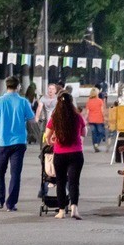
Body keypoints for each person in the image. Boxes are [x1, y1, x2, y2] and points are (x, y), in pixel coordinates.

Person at [0, 76, 35, 212]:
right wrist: (40, 137)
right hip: (19, 143)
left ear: (6, 86)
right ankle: (11, 204)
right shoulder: (23, 102)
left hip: (2, 142)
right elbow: (32, 121)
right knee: (15, 173)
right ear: (18, 87)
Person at [45, 92, 86, 220]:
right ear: (71, 102)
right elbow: (83, 133)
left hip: (60, 154)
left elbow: (47, 136)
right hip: (76, 154)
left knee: (61, 182)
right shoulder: (77, 117)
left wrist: (51, 141)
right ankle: (74, 208)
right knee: (74, 182)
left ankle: (61, 211)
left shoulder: (55, 117)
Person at [35, 84, 58, 148]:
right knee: (43, 133)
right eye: (49, 88)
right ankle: (43, 147)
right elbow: (39, 108)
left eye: (53, 89)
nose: (51, 90)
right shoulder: (43, 98)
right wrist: (36, 117)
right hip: (45, 119)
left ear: (55, 91)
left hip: (55, 120)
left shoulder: (58, 99)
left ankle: (55, 146)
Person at [85, 87, 106, 152]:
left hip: (91, 120)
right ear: (97, 93)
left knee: (94, 133)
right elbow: (102, 111)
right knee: (100, 132)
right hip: (99, 119)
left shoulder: (88, 101)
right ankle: (97, 144)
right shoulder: (100, 101)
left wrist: (85, 119)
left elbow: (87, 112)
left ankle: (95, 144)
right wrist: (104, 118)